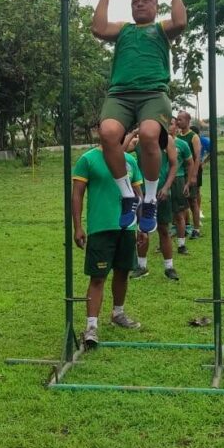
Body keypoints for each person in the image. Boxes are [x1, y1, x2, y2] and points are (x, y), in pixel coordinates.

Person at [92, 0, 187, 234]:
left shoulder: (160, 28)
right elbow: (98, 28)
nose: (140, 3)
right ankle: (127, 195)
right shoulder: (124, 30)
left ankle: (150, 198)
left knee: (147, 134)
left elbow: (180, 22)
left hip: (153, 94)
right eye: (135, 1)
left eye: (146, 0)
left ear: (156, 6)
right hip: (120, 94)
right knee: (108, 133)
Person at [72, 136, 144, 348]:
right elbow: (77, 195)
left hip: (127, 227)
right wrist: (78, 226)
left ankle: (118, 313)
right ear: (99, 131)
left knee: (122, 272)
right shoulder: (88, 159)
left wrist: (142, 226)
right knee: (98, 277)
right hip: (101, 228)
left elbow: (138, 195)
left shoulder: (130, 161)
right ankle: (91, 327)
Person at [131, 131, 181, 281]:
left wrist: (166, 187)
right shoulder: (137, 141)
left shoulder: (168, 140)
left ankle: (169, 267)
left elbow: (174, 165)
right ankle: (141, 266)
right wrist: (132, 134)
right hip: (143, 192)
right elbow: (119, 151)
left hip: (161, 192)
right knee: (141, 230)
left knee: (164, 230)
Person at [168, 117, 197, 256]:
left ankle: (181, 245)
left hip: (178, 180)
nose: (168, 126)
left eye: (171, 124)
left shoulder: (182, 144)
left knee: (179, 214)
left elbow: (190, 162)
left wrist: (188, 181)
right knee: (163, 217)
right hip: (162, 181)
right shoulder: (156, 143)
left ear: (176, 127)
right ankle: (164, 244)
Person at [174, 111, 202, 238]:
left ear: (187, 121)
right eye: (177, 120)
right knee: (182, 202)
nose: (178, 122)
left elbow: (197, 157)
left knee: (193, 201)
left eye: (180, 120)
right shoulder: (177, 136)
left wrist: (194, 175)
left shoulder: (193, 136)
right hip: (180, 173)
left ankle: (196, 229)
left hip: (191, 172)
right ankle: (184, 226)